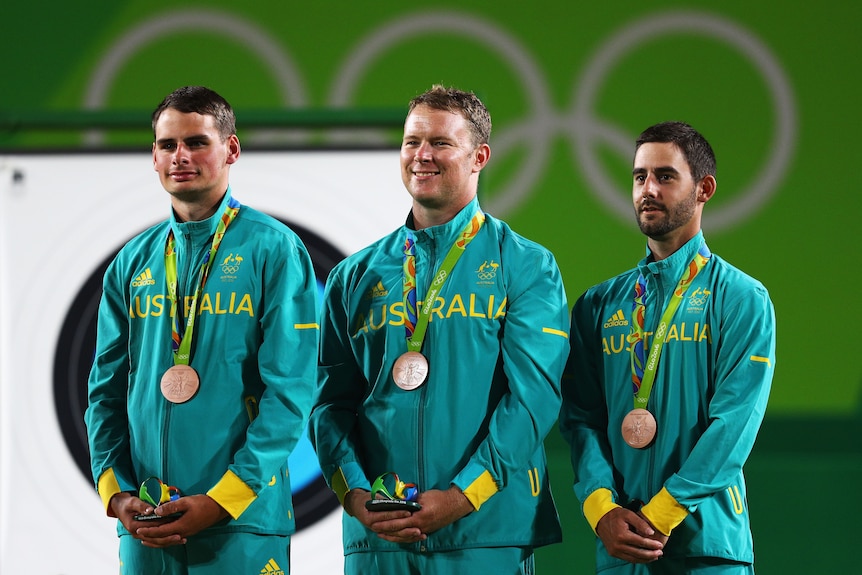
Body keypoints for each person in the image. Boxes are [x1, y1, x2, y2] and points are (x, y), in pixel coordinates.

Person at [309, 85, 570, 574]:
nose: (421, 155)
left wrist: (461, 496)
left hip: (486, 534)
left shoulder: (526, 265)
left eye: (440, 144)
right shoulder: (355, 275)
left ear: (479, 157)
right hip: (379, 539)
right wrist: (356, 495)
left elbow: (533, 399)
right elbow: (329, 404)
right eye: (412, 142)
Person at [84, 85, 319, 574]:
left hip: (241, 524)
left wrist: (224, 500)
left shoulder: (274, 249)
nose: (180, 156)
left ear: (231, 149)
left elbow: (291, 393)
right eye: (167, 145)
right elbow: (104, 392)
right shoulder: (132, 263)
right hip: (146, 523)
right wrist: (117, 494)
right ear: (153, 156)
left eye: (196, 142)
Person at [559, 121, 776, 574]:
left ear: (704, 189)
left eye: (665, 176)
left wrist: (664, 512)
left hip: (707, 548)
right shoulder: (599, 306)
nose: (647, 189)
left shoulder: (739, 297)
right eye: (639, 177)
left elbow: (735, 422)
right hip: (623, 551)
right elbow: (581, 419)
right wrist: (600, 508)